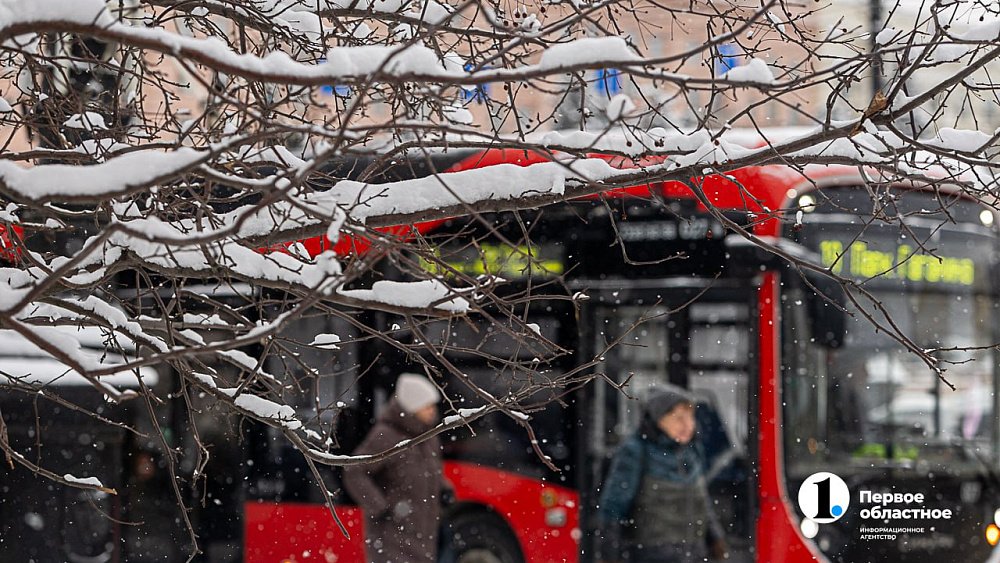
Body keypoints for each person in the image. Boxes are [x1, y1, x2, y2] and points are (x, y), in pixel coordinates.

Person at [597, 386, 727, 563]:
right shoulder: (636, 451)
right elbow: (614, 506)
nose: (688, 425)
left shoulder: (692, 450)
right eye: (679, 418)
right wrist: (610, 554)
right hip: (652, 554)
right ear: (659, 419)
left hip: (693, 554)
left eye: (690, 417)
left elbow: (701, 500)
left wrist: (715, 538)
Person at [343, 373, 446, 563]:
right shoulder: (386, 436)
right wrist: (380, 507)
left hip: (424, 538)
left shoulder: (429, 437)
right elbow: (354, 471)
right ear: (412, 408)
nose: (433, 411)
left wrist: (444, 489)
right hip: (390, 540)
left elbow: (430, 472)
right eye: (427, 406)